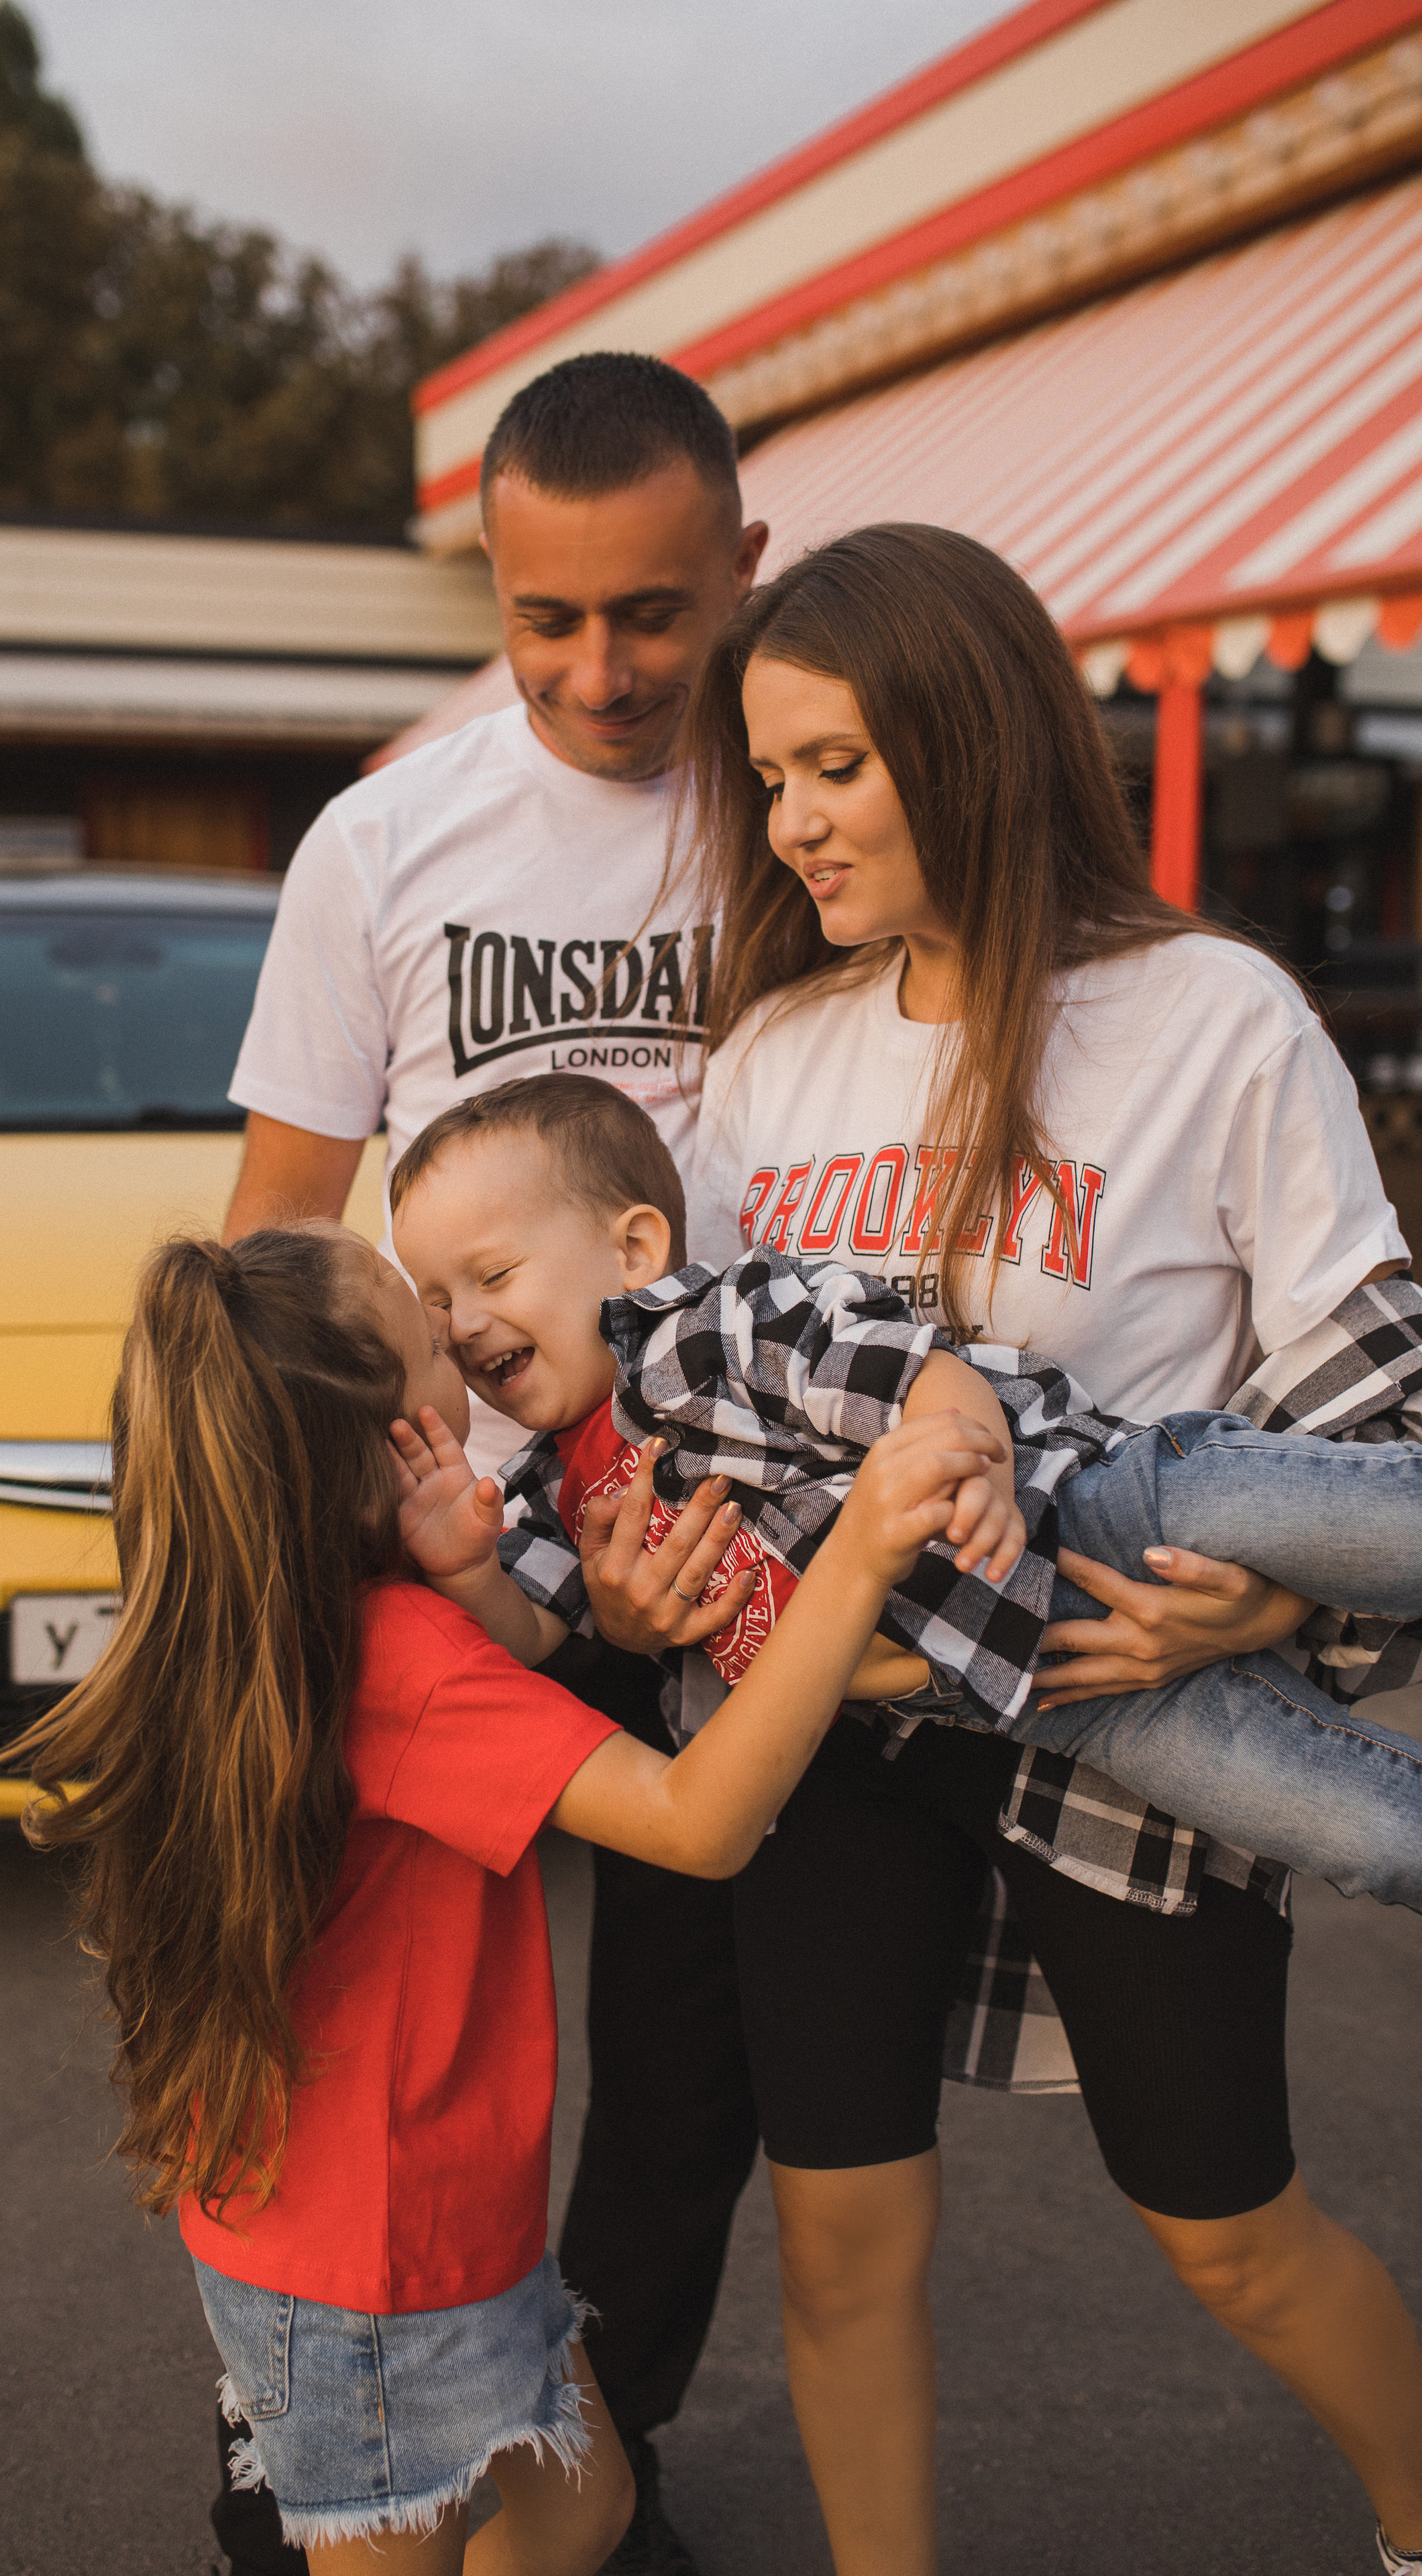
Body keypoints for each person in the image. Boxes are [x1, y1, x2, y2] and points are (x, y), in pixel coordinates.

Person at [580, 524, 1422, 2574]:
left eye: (835, 768)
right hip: (849, 1727)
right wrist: (632, 1575)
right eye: (769, 779)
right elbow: (699, 1398)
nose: (791, 827)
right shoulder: (778, 1058)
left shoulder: (1214, 1016)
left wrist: (1289, 1599)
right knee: (844, 2231)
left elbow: (1376, 1416)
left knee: (1226, 2228)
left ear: (967, 739)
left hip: (1118, 1699)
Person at [6, 1224, 991, 2572]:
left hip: (423, 2234)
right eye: (427, 1325)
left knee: (583, 2511)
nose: (456, 1328)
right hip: (375, 2280)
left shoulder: (280, 1621)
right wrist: (861, 1553)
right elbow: (697, 1827)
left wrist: (465, 1569)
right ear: (408, 1424)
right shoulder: (401, 1660)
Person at [219, 352, 773, 2576]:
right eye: (550, 618)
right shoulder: (386, 840)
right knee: (366, 2037)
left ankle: (569, 2461)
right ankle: (307, 2441)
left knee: (677, 2086)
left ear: (746, 563)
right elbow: (273, 1233)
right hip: (462, 1539)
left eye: (654, 609)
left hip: (742, 1530)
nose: (603, 667)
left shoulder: (815, 802)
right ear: (494, 582)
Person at [380, 1070, 1422, 1910]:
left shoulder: (696, 1337)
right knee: (1362, 1830)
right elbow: (528, 1640)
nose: (462, 1324)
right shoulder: (553, 1487)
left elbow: (906, 1366)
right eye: (435, 1306)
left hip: (1098, 1506)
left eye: (494, 1276)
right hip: (1043, 1697)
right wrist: (471, 1571)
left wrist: (976, 1466)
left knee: (1385, 1525)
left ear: (636, 1249)